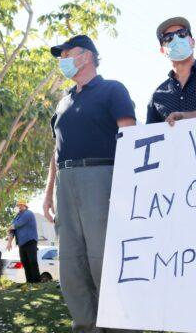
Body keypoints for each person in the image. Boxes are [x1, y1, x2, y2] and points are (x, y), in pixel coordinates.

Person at [43, 35, 136, 332]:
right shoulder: (63, 102)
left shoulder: (112, 90)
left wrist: (126, 187)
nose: (63, 60)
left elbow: (130, 136)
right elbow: (56, 153)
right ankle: (85, 326)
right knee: (71, 265)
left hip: (102, 179)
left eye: (68, 53)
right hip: (66, 185)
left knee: (105, 260)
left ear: (87, 56)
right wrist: (48, 194)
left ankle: (122, 327)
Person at [147, 16, 196, 124]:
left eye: (182, 33)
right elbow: (150, 136)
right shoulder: (157, 97)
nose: (176, 39)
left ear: (193, 42)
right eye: (168, 38)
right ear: (162, 51)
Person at [6, 199, 40, 284]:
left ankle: (37, 281)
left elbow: (16, 225)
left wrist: (10, 227)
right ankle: (29, 281)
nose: (19, 207)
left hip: (30, 241)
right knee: (24, 262)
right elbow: (12, 231)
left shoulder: (28, 214)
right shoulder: (17, 217)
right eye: (18, 205)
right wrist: (9, 242)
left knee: (32, 261)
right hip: (21, 243)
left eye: (21, 205)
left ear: (25, 206)